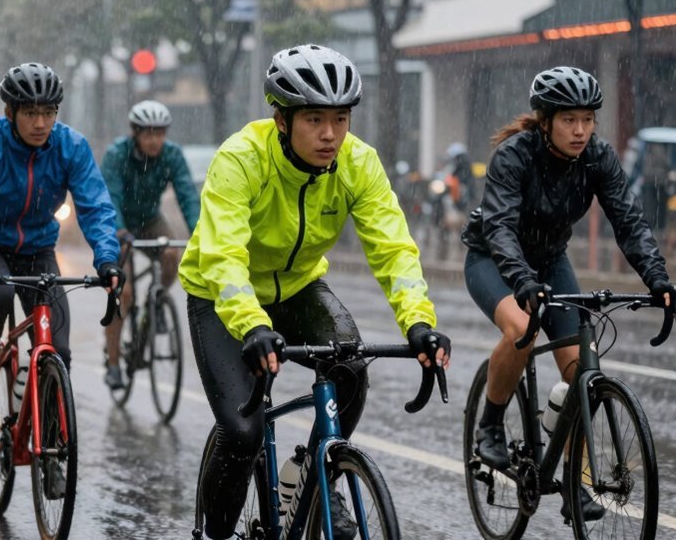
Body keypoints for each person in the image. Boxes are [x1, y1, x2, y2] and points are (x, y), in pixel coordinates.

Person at [179, 44, 451, 540]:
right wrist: (253, 324)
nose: (330, 134)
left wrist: (419, 321)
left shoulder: (358, 164)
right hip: (221, 297)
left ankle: (313, 472)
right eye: (314, 119)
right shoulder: (241, 158)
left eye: (341, 119)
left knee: (349, 370)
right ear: (282, 120)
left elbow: (394, 248)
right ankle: (216, 533)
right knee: (243, 432)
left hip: (299, 287)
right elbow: (223, 256)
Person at [462, 66, 673, 521]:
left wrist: (657, 278)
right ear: (545, 120)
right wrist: (522, 282)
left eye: (588, 119)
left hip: (551, 262)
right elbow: (498, 227)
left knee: (582, 370)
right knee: (521, 329)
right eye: (569, 120)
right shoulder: (515, 155)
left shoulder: (598, 157)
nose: (580, 130)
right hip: (494, 259)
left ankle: (575, 484)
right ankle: (490, 427)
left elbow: (629, 220)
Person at [0, 62, 122, 431]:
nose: (41, 123)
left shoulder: (70, 146)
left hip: (39, 249)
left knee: (58, 347)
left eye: (48, 113)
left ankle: (55, 441)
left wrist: (107, 259)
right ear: (9, 113)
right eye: (30, 113)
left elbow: (96, 206)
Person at [100, 100, 200, 389]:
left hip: (150, 219)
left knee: (171, 253)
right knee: (125, 292)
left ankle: (156, 301)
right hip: (120, 224)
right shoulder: (117, 155)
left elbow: (187, 196)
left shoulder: (172, 155)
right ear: (135, 133)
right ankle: (114, 363)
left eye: (160, 133)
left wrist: (200, 231)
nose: (155, 140)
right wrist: (119, 230)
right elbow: (111, 196)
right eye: (148, 134)